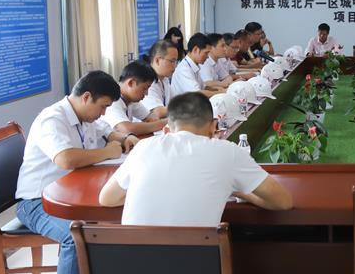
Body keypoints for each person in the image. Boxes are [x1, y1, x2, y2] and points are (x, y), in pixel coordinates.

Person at [15, 71, 140, 274]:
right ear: (86, 97)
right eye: (102, 106)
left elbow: (109, 132)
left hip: (72, 196)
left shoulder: (86, 117)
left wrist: (124, 139)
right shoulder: (53, 118)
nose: (103, 113)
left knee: (115, 220)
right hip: (37, 202)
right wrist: (107, 152)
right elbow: (65, 159)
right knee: (76, 234)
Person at [98, 92, 293, 226]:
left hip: (131, 269)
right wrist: (238, 192)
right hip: (196, 268)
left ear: (167, 130)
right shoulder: (228, 152)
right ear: (214, 126)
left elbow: (107, 198)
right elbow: (283, 202)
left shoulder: (143, 147)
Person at [101, 61, 167, 136]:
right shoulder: (111, 99)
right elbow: (127, 129)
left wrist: (159, 123)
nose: (146, 93)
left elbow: (151, 118)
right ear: (131, 83)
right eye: (144, 88)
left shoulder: (130, 99)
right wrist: (166, 121)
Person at [171, 33, 217, 97]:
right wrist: (220, 92)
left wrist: (218, 90)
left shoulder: (194, 66)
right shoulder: (184, 69)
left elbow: (204, 87)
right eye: (206, 53)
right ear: (195, 50)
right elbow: (197, 94)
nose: (207, 57)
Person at [140, 39, 178, 118]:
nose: (175, 66)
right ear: (157, 60)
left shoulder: (164, 79)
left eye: (176, 62)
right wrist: (184, 107)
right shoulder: (146, 80)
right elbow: (158, 112)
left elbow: (174, 101)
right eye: (172, 61)